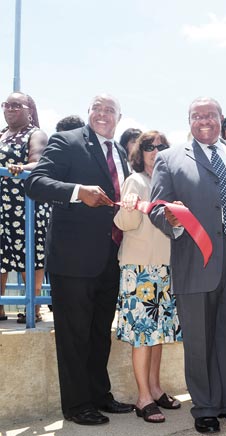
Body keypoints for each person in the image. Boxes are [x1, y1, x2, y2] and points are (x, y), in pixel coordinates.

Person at [24, 94, 133, 425]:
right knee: (74, 336)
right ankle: (76, 405)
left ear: (118, 117)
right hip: (72, 259)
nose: (102, 114)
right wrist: (77, 192)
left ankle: (99, 395)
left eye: (109, 110)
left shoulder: (120, 153)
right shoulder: (67, 141)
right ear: (88, 113)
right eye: (96, 108)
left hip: (111, 256)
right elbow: (35, 182)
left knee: (99, 332)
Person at [149, 97, 226, 434]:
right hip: (195, 261)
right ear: (189, 120)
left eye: (210, 115)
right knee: (199, 341)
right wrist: (171, 219)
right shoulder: (169, 158)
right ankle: (205, 407)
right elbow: (156, 207)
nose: (204, 120)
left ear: (221, 118)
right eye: (197, 116)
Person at [114, 130, 182, 424]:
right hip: (140, 269)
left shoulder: (167, 184)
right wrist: (129, 206)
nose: (156, 151)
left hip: (165, 268)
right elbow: (124, 223)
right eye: (149, 146)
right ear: (139, 153)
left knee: (158, 335)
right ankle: (143, 398)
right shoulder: (135, 181)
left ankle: (155, 389)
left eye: (161, 146)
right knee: (143, 335)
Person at [0, 92, 49, 323]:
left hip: (26, 206)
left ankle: (33, 308)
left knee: (29, 255)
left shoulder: (35, 134)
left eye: (16, 105)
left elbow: (38, 162)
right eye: (6, 105)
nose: (10, 108)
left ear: (30, 110)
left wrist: (20, 168)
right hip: (1, 206)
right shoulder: (1, 134)